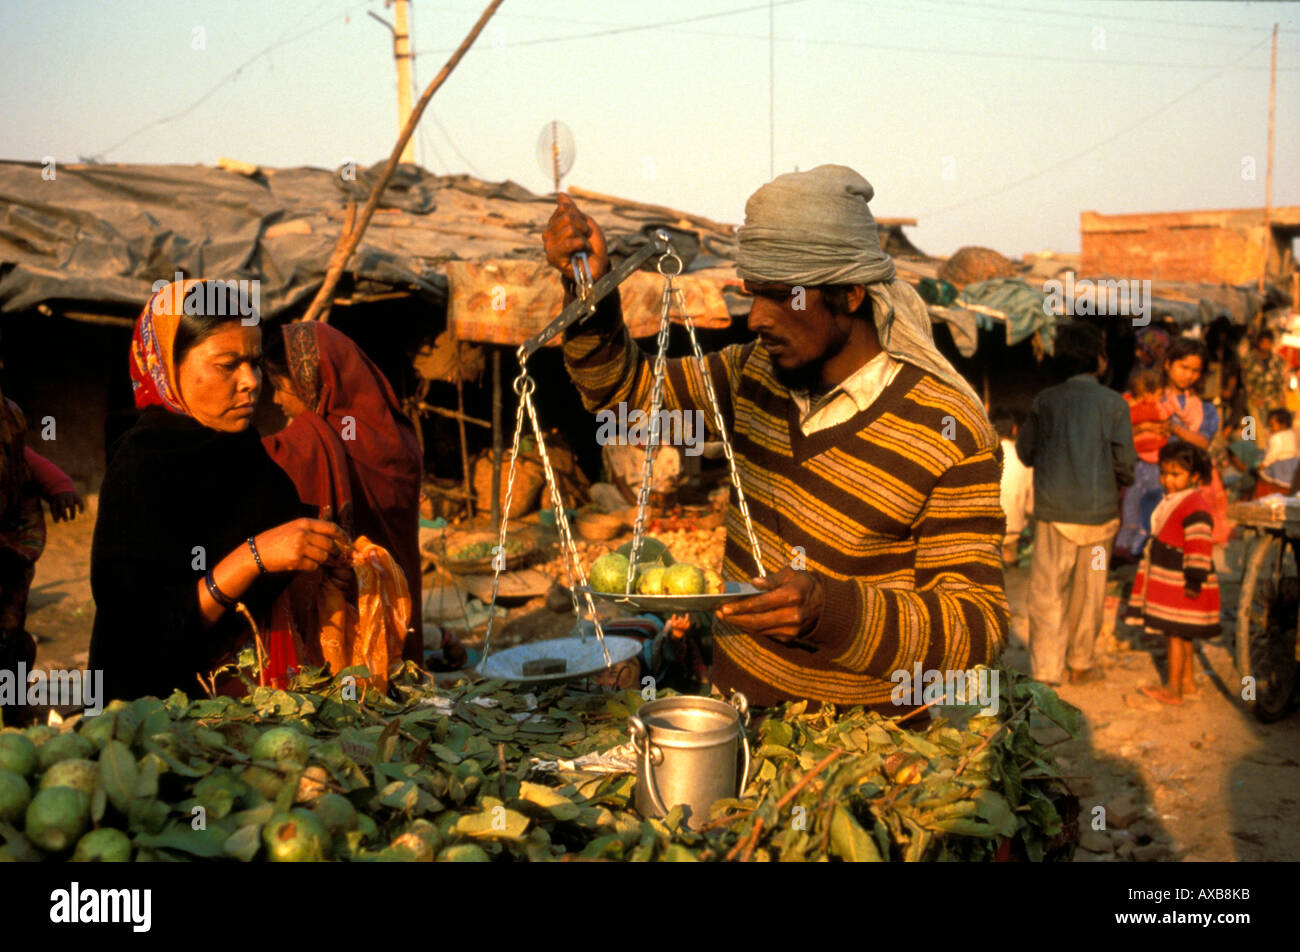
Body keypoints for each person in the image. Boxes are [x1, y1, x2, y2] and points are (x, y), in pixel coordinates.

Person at [543, 166, 1008, 711]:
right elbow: (626, 397)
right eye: (752, 294)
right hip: (738, 723)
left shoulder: (946, 428)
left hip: (864, 754)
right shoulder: (751, 377)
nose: (757, 318)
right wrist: (587, 284)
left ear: (851, 293)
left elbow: (976, 629)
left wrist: (830, 612)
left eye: (781, 296)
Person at [89, 280, 351, 701]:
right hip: (160, 719)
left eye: (255, 362)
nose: (251, 382)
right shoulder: (143, 466)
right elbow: (141, 632)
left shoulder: (241, 450)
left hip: (250, 709)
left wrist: (315, 563)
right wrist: (253, 558)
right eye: (227, 365)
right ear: (168, 368)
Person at [261, 321, 428, 663]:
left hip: (352, 617)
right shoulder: (390, 432)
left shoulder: (330, 438)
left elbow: (272, 460)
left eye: (279, 386)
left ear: (309, 382)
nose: (275, 399)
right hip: (399, 609)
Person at [1017, 322, 1135, 685]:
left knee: (1048, 593)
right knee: (1092, 592)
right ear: (1099, 363)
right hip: (1100, 521)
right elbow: (1126, 465)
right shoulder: (1115, 404)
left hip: (1055, 517)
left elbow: (1025, 453)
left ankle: (1046, 671)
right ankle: (1081, 663)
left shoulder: (1045, 401)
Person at [1128, 442, 1221, 705]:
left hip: (1182, 581)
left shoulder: (1194, 506)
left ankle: (1173, 689)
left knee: (1175, 635)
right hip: (1174, 579)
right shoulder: (1177, 499)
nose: (1168, 480)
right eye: (1164, 473)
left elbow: (1199, 544)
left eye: (1175, 474)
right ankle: (1188, 682)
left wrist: (1194, 579)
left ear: (1193, 476)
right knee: (1183, 632)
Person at [0, 390, 46, 724]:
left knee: (13, 641)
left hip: (9, 552)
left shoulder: (11, 414)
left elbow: (24, 463)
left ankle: (13, 714)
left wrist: (57, 484)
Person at [991, 408, 1032, 566]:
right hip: (1014, 529)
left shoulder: (980, 456)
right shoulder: (1023, 458)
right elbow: (1030, 507)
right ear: (1014, 429)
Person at [1241, 329, 1287, 448]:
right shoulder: (1250, 359)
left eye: (1268, 342)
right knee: (1255, 428)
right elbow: (1247, 382)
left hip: (1273, 399)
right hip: (1256, 399)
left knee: (1277, 427)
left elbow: (1282, 380)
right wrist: (1255, 397)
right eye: (1263, 342)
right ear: (1259, 343)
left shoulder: (1278, 360)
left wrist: (1282, 397)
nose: (1265, 345)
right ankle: (1260, 451)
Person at [1253, 407, 1299, 496]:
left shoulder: (1276, 438)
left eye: (1271, 425)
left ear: (1283, 425)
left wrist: (1264, 464)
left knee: (1266, 480)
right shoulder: (1291, 434)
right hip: (1292, 463)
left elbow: (1273, 454)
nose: (1270, 428)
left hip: (1279, 465)